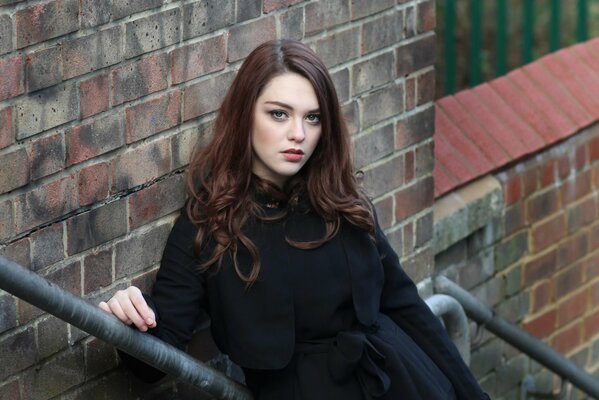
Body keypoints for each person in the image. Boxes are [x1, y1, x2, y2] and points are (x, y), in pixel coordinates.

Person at [99, 39, 488, 399]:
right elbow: (159, 352)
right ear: (245, 115)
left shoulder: (339, 199)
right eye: (279, 114)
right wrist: (129, 319)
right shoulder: (211, 219)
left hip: (401, 382)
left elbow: (407, 307)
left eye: (313, 118)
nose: (298, 133)